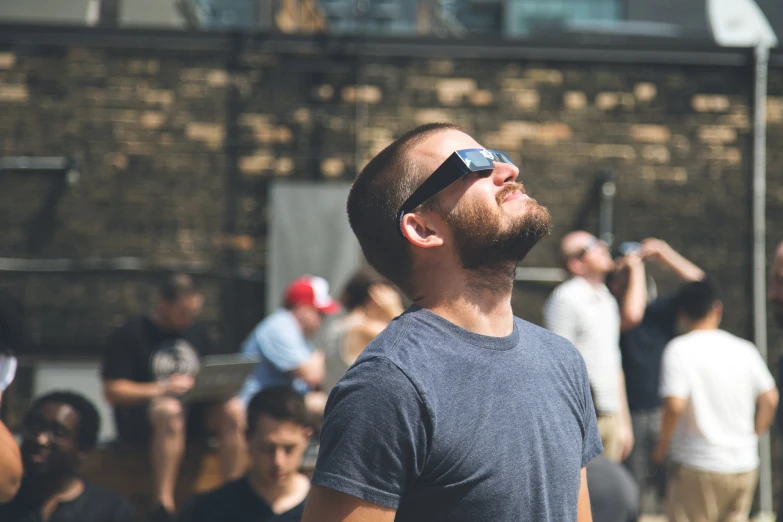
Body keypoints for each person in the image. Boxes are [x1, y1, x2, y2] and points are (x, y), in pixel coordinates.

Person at [302, 123, 602, 521]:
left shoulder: (562, 359)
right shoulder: (388, 385)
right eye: (472, 164)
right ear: (423, 227)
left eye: (498, 157)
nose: (507, 171)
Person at [101, 273, 245, 521]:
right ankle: (162, 504)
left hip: (194, 414)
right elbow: (113, 390)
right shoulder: (131, 332)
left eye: (193, 312)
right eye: (183, 312)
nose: (188, 319)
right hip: (145, 421)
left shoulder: (198, 333)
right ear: (164, 303)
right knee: (169, 410)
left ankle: (236, 492)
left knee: (233, 409)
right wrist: (162, 388)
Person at [654, 279, 779, 522]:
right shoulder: (745, 349)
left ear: (682, 312)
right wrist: (753, 435)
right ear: (717, 309)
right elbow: (770, 399)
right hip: (744, 463)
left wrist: (661, 449)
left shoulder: (678, 350)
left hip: (697, 464)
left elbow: (674, 405)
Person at [607, 238, 703, 512]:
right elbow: (633, 313)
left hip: (665, 410)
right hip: (631, 411)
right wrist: (633, 269)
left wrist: (666, 253)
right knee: (633, 486)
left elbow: (702, 287)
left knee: (670, 485)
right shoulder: (610, 306)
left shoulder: (661, 310)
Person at [544, 231, 633, 463]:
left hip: (611, 414)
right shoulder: (566, 298)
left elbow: (615, 362)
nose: (602, 245)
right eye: (591, 245)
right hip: (584, 417)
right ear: (576, 264)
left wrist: (624, 422)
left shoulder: (607, 298)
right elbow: (556, 366)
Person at [0, 391, 139, 521]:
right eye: (35, 427)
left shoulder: (110, 510)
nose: (41, 439)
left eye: (58, 433)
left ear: (83, 449)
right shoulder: (5, 498)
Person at [178, 386, 312, 522]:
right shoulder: (206, 511)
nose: (278, 461)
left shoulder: (327, 508)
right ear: (248, 438)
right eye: (267, 448)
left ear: (306, 438)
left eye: (289, 449)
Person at [237, 276, 341, 418]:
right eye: (320, 313)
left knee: (328, 401)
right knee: (329, 404)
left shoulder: (297, 332)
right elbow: (313, 375)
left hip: (278, 401)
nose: (323, 319)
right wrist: (321, 353)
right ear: (302, 308)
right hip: (255, 408)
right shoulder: (279, 326)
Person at [320, 266, 404, 393]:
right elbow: (414, 344)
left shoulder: (339, 324)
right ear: (377, 299)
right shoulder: (364, 329)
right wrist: (395, 311)